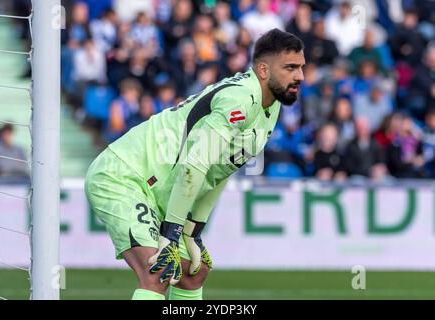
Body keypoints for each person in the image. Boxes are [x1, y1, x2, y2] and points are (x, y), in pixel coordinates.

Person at [85, 29, 305, 300]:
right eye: (291, 68)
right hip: (123, 173)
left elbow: (221, 170)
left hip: (160, 188)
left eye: (301, 67)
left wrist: (193, 230)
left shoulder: (270, 106)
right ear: (263, 69)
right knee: (158, 271)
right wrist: (171, 232)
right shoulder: (240, 99)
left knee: (192, 273)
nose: (300, 76)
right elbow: (195, 166)